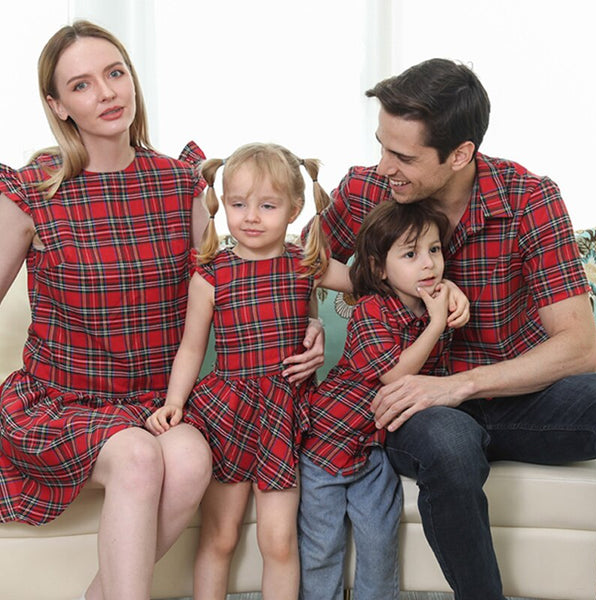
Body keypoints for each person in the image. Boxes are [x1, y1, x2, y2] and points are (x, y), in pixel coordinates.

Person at [305, 57, 596, 600]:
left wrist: (461, 384)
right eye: (381, 145)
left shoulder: (528, 199)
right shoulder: (368, 190)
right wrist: (307, 322)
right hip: (421, 409)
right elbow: (297, 261)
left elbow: (581, 347)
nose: (384, 165)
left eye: (403, 156)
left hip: (512, 394)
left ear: (461, 153)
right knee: (450, 449)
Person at [0, 20, 213, 600]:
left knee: (191, 462)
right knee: (138, 457)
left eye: (115, 73)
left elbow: (229, 286)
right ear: (58, 105)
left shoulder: (180, 184)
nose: (108, 93)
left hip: (156, 403)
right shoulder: (33, 192)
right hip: (61, 402)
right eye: (83, 85)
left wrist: (312, 321)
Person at [144, 142, 351, 600]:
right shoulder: (211, 273)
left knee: (277, 541)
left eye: (267, 205)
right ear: (223, 206)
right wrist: (174, 402)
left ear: (295, 209)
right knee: (220, 537)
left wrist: (433, 287)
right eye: (238, 204)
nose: (251, 216)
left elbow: (370, 284)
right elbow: (192, 347)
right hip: (228, 414)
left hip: (282, 410)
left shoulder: (305, 265)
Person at [299, 199, 470, 600]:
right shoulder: (372, 310)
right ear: (379, 268)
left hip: (372, 451)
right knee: (321, 547)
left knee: (379, 541)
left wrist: (450, 297)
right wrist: (438, 323)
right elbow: (394, 373)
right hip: (326, 446)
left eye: (434, 250)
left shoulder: (431, 305)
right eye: (411, 254)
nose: (428, 264)